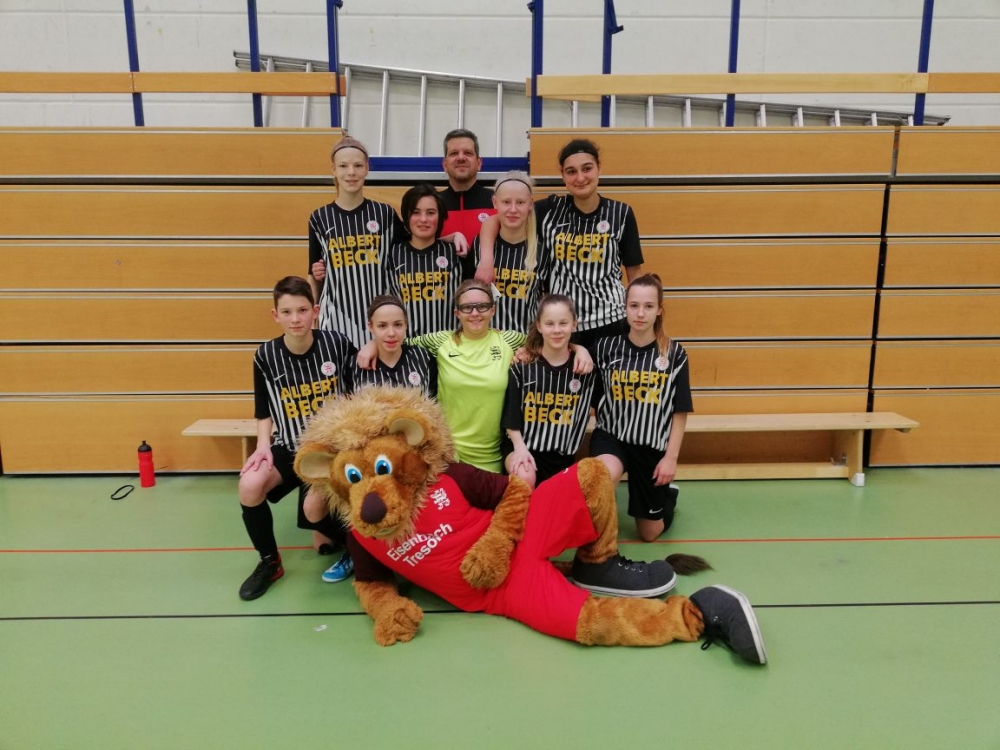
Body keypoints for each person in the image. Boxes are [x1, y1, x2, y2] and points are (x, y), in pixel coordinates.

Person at [236, 276, 358, 600]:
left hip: (330, 451)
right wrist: (263, 447)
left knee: (313, 509)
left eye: (302, 310)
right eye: (287, 312)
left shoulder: (337, 343)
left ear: (315, 311)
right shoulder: (265, 355)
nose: (295, 319)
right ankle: (269, 562)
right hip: (289, 447)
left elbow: (358, 385)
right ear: (275, 315)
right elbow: (263, 409)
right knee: (249, 485)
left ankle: (356, 548)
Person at [478, 138, 644, 349]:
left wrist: (640, 321)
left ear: (599, 168)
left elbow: (635, 275)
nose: (580, 177)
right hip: (564, 325)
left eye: (587, 169)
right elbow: (496, 220)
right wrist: (486, 259)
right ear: (563, 176)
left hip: (612, 321)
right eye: (571, 171)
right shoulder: (550, 210)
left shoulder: (621, 213)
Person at [590, 273, 692, 543]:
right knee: (603, 476)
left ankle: (668, 495)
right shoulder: (605, 347)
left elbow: (680, 411)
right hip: (612, 437)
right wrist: (578, 350)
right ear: (625, 307)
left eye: (648, 306)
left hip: (651, 446)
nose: (640, 313)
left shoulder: (674, 354)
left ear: (659, 310)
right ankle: (602, 540)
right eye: (634, 305)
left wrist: (671, 458)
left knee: (649, 533)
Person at [307, 135, 407, 348]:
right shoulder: (319, 218)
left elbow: (414, 246)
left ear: (367, 168)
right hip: (334, 319)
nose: (351, 172)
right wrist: (309, 318)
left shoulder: (384, 214)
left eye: (358, 165)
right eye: (343, 166)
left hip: (380, 320)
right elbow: (313, 273)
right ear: (333, 170)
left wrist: (452, 237)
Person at [502, 295, 597, 488]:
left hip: (562, 457)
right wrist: (520, 449)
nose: (556, 330)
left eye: (563, 323)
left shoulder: (586, 369)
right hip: (523, 449)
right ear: (539, 325)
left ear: (574, 324)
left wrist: (581, 349)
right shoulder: (522, 367)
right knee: (525, 475)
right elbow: (511, 417)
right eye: (549, 323)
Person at [384, 183, 473, 337]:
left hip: (449, 346)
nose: (423, 219)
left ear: (440, 216)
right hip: (408, 346)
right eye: (416, 212)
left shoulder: (456, 253)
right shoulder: (391, 254)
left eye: (430, 213)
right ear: (406, 216)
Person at [472, 171, 542, 333]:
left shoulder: (542, 250)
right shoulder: (479, 245)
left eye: (520, 202)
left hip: (526, 342)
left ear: (531, 203)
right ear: (495, 202)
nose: (513, 209)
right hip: (485, 342)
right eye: (506, 202)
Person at [348, 294, 437, 398]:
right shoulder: (355, 364)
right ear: (371, 327)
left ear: (406, 324)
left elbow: (432, 400)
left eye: (398, 324)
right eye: (382, 326)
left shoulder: (422, 357)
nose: (391, 333)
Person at [439, 128, 497, 247]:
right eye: (454, 153)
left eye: (468, 153)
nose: (461, 158)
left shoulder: (497, 202)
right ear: (444, 164)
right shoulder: (434, 204)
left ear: (479, 163)